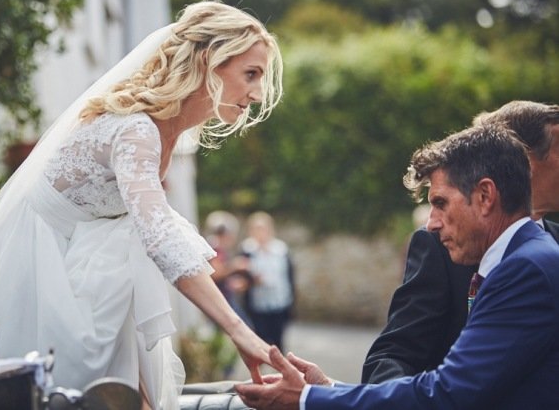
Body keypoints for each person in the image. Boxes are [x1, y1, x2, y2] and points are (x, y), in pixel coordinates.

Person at [0, 0, 283, 410]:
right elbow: (157, 234)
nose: (257, 93)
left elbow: (161, 228)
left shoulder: (169, 129)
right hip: (43, 259)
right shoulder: (138, 130)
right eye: (251, 74)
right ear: (211, 61)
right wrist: (237, 329)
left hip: (96, 258)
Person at [235, 124, 559, 409]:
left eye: (441, 203)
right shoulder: (525, 257)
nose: (431, 224)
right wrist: (331, 390)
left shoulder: (525, 269)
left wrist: (308, 400)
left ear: (485, 195)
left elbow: (447, 394)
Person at [362, 100, 559, 383]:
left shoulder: (550, 249)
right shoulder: (438, 245)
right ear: (523, 159)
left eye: (441, 203)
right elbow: (394, 356)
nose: (432, 222)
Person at [241, 211, 295, 352]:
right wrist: (252, 281)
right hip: (258, 304)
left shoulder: (281, 250)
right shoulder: (247, 250)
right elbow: (242, 278)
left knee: (278, 341)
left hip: (279, 302)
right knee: (260, 341)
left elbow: (289, 276)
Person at [204, 210, 253, 327]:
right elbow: (215, 273)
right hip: (220, 300)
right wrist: (235, 265)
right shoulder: (215, 249)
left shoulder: (216, 248)